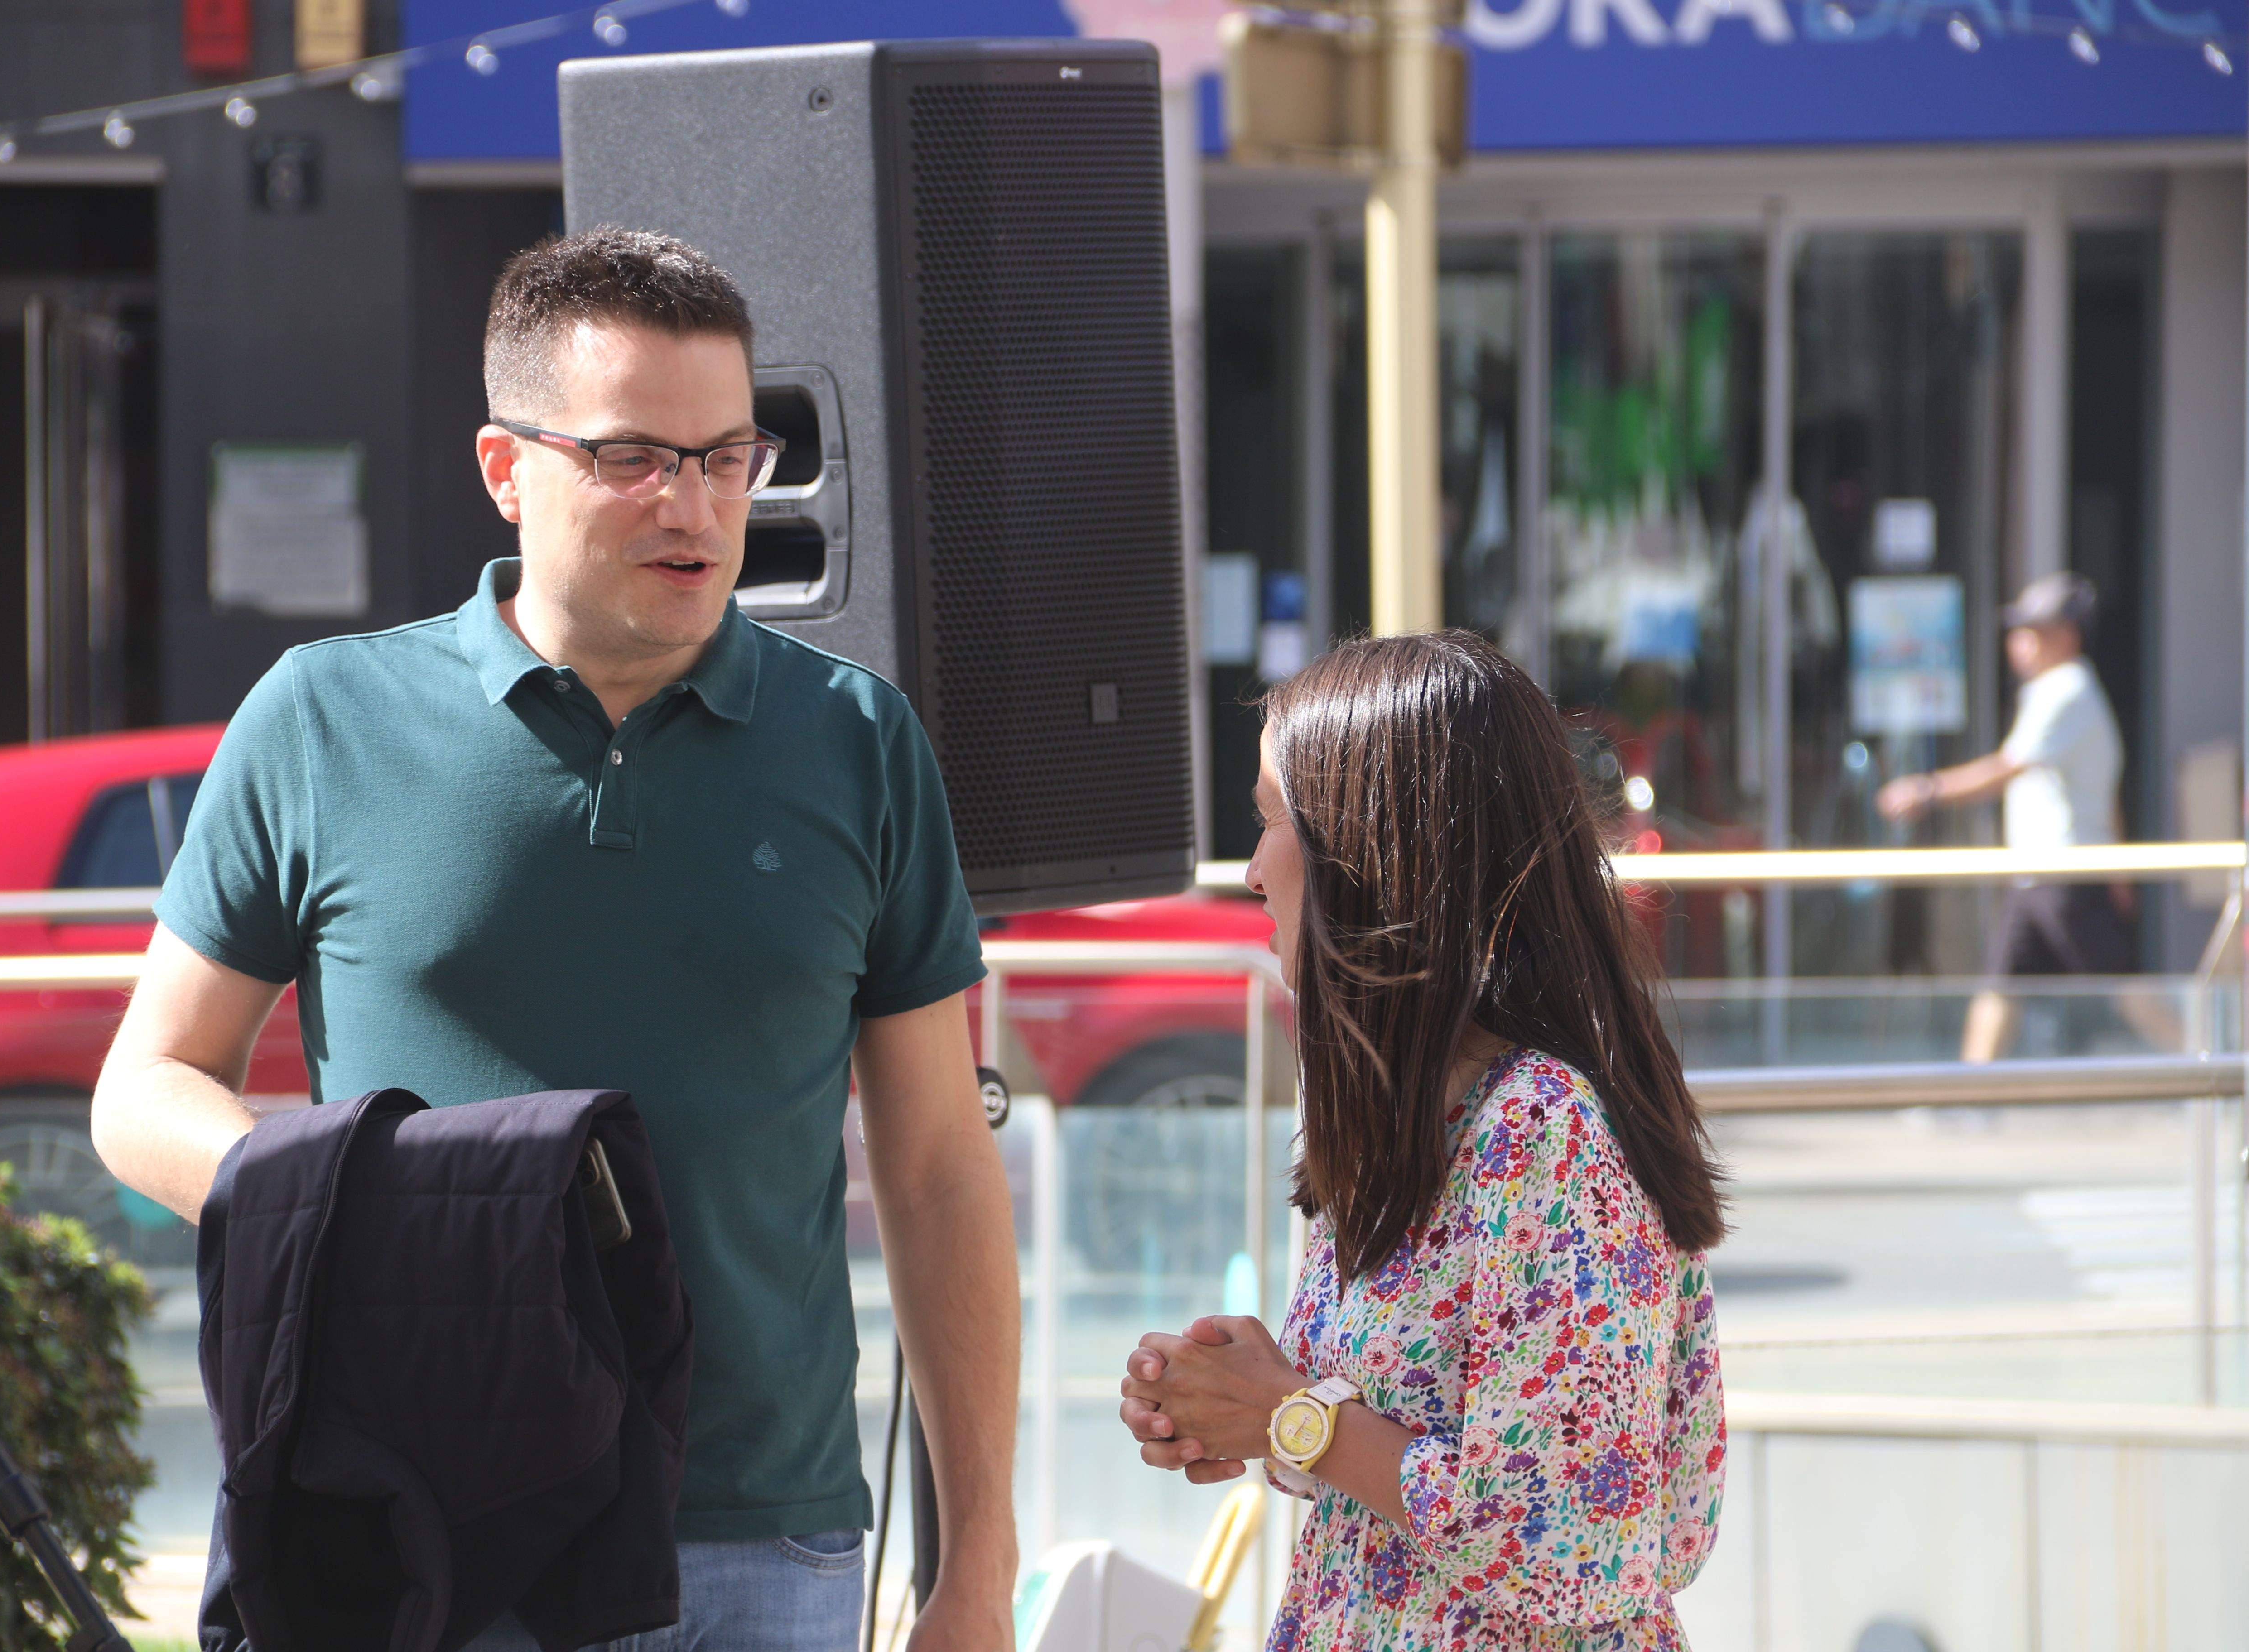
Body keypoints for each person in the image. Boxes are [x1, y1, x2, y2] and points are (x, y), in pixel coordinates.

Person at [92, 227, 1021, 1652]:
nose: (696, 505)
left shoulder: (858, 739)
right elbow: (143, 1089)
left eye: (728, 456)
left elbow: (943, 1167)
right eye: (635, 457)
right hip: (423, 1527)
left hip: (767, 1536)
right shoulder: (320, 716)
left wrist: (982, 1561)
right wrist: (371, 1201)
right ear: (505, 467)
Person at [1119, 632, 1727, 1648]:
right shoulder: (1411, 1114)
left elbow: (1570, 1550)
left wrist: (1291, 1415)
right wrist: (1238, 1400)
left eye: (1275, 823)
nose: (1256, 871)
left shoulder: (1547, 1132)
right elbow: (1401, 1465)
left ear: (1376, 858)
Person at [1877, 571, 2146, 1062]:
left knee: (2121, 988)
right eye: (2018, 631)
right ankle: (1969, 1097)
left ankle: (2208, 1065)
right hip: (2043, 873)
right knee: (2000, 986)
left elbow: (2007, 767)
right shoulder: (2061, 691)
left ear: (2067, 636)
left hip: (2066, 873)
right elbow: (2106, 797)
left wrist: (1927, 788)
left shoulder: (2068, 688)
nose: (2019, 643)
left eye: (2034, 631)